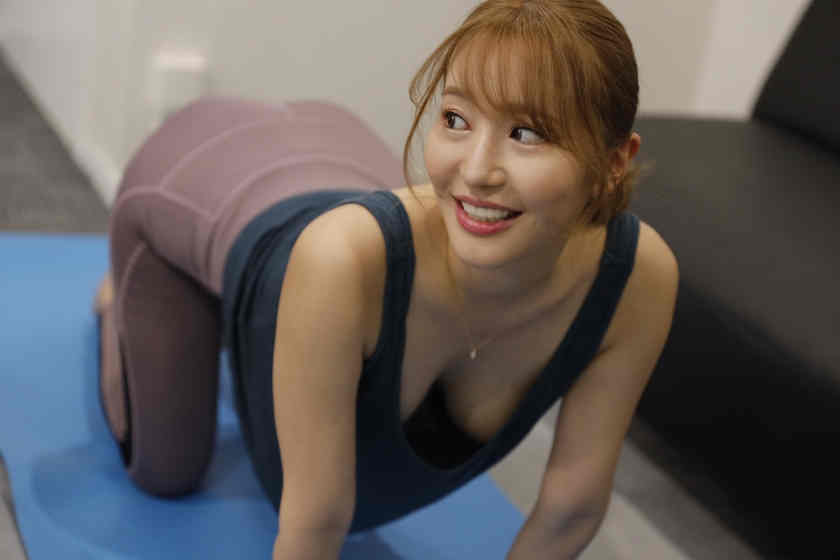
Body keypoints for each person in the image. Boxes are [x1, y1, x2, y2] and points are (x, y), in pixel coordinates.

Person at [94, 1, 678, 558]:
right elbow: (316, 521)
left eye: (527, 134)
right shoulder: (340, 261)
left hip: (336, 157)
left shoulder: (636, 278)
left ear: (614, 162)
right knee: (168, 471)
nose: (477, 170)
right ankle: (119, 303)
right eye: (455, 119)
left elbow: (572, 508)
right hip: (202, 176)